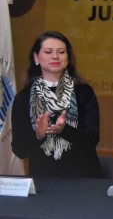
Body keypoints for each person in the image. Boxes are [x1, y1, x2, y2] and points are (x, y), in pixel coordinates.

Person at [11, 31, 102, 178]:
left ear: (68, 58)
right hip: (43, 181)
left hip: (84, 179)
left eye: (61, 52)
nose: (55, 56)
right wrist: (39, 135)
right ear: (36, 57)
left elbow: (92, 140)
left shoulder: (84, 92)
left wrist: (64, 130)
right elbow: (20, 151)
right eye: (48, 52)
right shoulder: (23, 98)